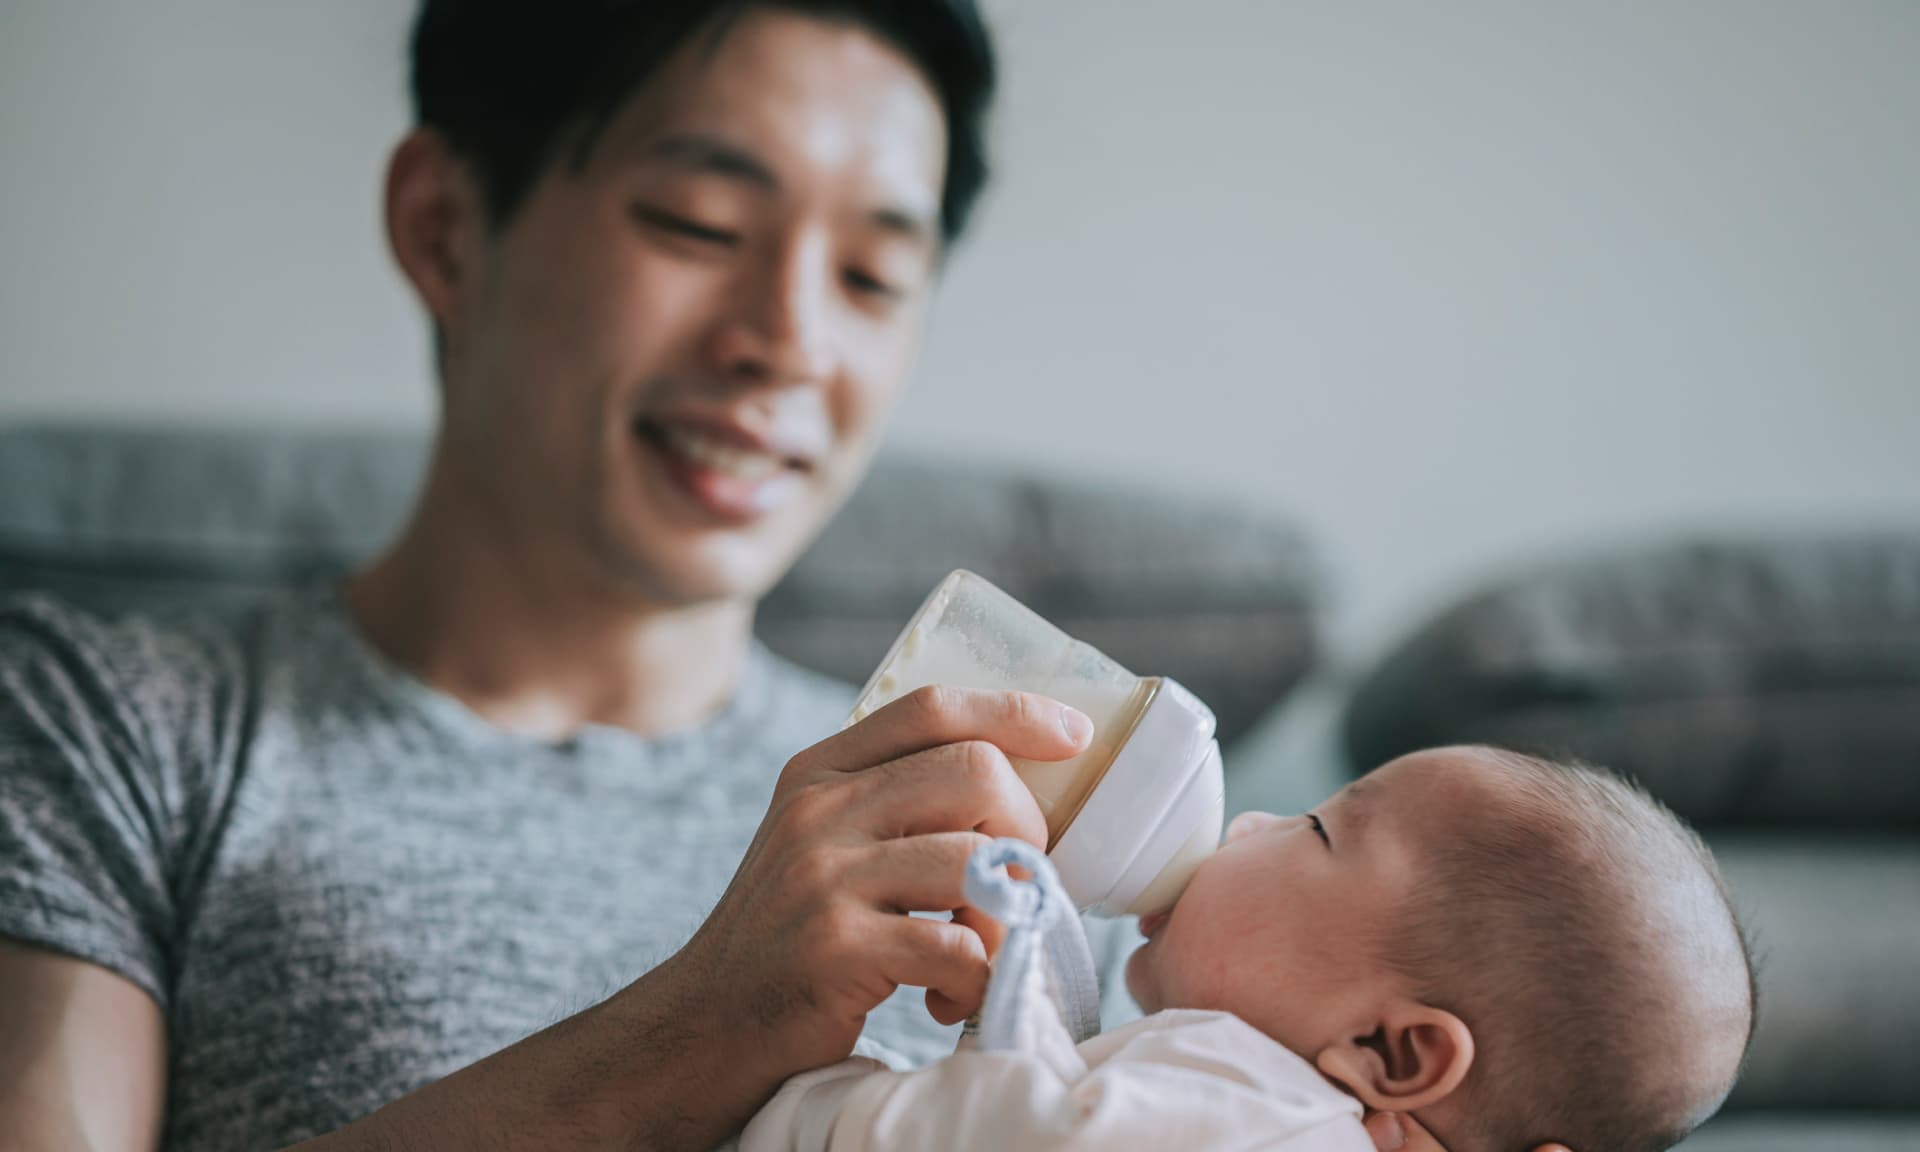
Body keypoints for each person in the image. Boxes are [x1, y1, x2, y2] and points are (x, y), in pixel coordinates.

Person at [0, 4, 1141, 1150]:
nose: (790, 341)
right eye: (696, 224)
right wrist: (694, 1030)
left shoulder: (1013, 832)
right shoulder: (103, 731)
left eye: (871, 274)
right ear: (444, 228)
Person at [739, 747, 1758, 1152]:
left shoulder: (1260, 1117)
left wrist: (789, 1087)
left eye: (1313, 831)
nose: (1249, 822)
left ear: (1391, 1054)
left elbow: (996, 1134)